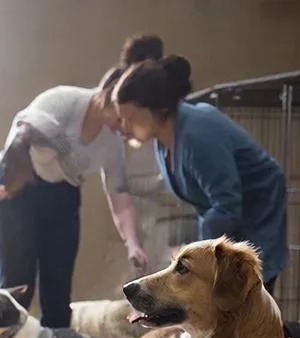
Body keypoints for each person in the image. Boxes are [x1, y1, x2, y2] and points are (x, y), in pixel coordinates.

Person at [0, 37, 168, 329]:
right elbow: (24, 131)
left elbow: (119, 193)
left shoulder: (113, 139)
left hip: (62, 195)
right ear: (105, 94)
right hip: (19, 183)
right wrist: (59, 159)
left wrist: (132, 243)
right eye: (119, 114)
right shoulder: (64, 100)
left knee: (57, 285)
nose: (122, 126)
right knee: (17, 282)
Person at [110, 48, 289, 292]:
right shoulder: (163, 140)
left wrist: (195, 255)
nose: (123, 128)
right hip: (229, 219)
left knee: (247, 298)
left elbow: (226, 204)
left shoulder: (197, 136)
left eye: (128, 118)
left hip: (257, 211)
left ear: (157, 108)